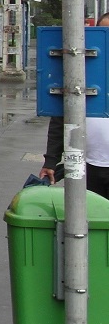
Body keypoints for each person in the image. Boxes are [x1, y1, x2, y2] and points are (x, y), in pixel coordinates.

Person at [40, 12, 109, 198]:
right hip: (87, 167)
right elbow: (60, 117)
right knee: (89, 222)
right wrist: (50, 161)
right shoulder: (80, 71)